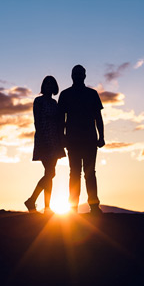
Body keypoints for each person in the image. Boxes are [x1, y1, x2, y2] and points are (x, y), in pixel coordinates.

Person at [59, 65, 105, 214]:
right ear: (72, 76)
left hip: (90, 139)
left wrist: (101, 136)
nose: (78, 76)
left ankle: (93, 205)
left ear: (84, 76)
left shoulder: (92, 94)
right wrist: (63, 138)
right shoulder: (65, 95)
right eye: (75, 73)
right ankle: (73, 207)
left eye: (80, 73)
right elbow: (61, 120)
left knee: (89, 173)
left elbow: (98, 117)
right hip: (73, 140)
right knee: (75, 173)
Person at [25, 76, 66, 213]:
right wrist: (42, 139)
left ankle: (41, 204)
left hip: (55, 140)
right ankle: (34, 202)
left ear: (54, 87)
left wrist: (61, 139)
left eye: (51, 84)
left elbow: (60, 121)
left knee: (50, 173)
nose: (49, 86)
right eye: (46, 84)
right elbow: (37, 121)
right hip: (44, 139)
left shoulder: (55, 103)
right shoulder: (39, 101)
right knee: (50, 173)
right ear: (43, 86)